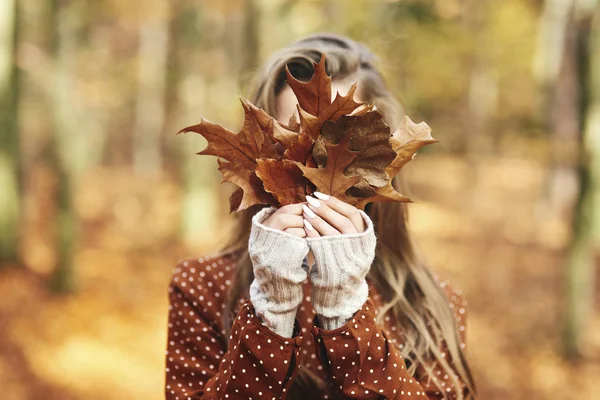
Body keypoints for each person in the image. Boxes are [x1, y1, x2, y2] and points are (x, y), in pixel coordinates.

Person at [165, 33, 477, 399]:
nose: (316, 169)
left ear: (384, 160)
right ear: (257, 161)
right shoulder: (204, 287)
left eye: (344, 146)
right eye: (293, 142)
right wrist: (271, 311)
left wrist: (347, 312)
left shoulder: (430, 304)